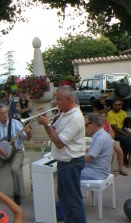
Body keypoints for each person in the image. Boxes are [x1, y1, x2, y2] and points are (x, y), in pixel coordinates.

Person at [37, 85, 87, 223]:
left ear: (68, 99)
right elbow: (53, 133)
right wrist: (46, 121)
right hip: (65, 163)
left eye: (58, 99)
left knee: (73, 202)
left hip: (71, 163)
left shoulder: (75, 117)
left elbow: (59, 143)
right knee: (65, 200)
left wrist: (47, 124)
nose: (55, 102)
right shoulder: (65, 114)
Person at [0, 104, 32, 205]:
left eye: (6, 112)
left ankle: (16, 194)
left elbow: (27, 138)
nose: (5, 115)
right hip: (1, 153)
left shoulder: (16, 124)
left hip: (17, 152)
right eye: (2, 113)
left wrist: (29, 133)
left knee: (15, 169)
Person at [81, 113, 113, 180]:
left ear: (93, 124)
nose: (85, 128)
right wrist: (82, 150)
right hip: (102, 170)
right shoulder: (105, 134)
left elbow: (89, 159)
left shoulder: (100, 138)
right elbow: (95, 149)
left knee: (68, 173)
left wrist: (74, 155)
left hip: (97, 172)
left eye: (86, 125)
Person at [107, 99, 131, 168]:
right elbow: (116, 128)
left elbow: (126, 124)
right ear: (112, 105)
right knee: (129, 143)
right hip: (115, 133)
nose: (117, 106)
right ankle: (126, 161)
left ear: (121, 106)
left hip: (123, 131)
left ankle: (126, 160)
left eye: (119, 105)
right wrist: (127, 135)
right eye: (115, 105)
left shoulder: (123, 113)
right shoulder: (110, 114)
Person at [99, 110, 128, 176]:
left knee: (120, 150)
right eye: (102, 116)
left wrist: (108, 135)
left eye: (104, 116)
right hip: (102, 140)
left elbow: (113, 135)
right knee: (112, 152)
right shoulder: (97, 124)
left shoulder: (107, 124)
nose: (103, 118)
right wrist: (107, 135)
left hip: (109, 139)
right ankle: (109, 169)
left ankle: (121, 168)